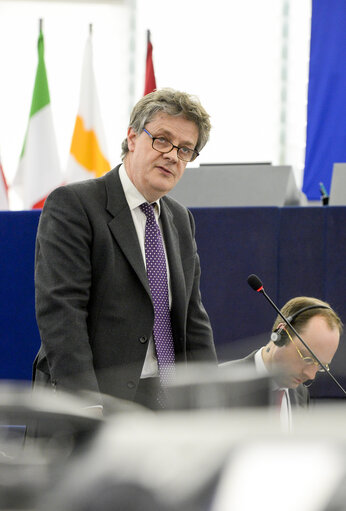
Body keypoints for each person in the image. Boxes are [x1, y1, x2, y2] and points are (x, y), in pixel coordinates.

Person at [33, 88, 217, 411]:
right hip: (97, 402)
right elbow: (62, 315)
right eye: (162, 139)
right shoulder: (75, 205)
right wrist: (86, 407)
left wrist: (213, 402)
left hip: (167, 405)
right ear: (132, 138)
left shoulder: (180, 219)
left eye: (185, 150)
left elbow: (193, 321)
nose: (173, 156)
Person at [221, 296, 342, 427]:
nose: (310, 375)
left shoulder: (301, 393)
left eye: (321, 366)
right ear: (281, 334)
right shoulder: (221, 386)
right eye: (307, 358)